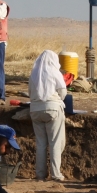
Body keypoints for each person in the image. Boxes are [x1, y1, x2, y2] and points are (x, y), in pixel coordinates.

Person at [29, 50, 67, 181]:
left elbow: (30, 92)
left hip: (35, 110)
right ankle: (56, 174)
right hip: (53, 109)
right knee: (55, 142)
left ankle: (40, 174)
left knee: (40, 144)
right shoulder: (55, 72)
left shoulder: (34, 73)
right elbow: (62, 92)